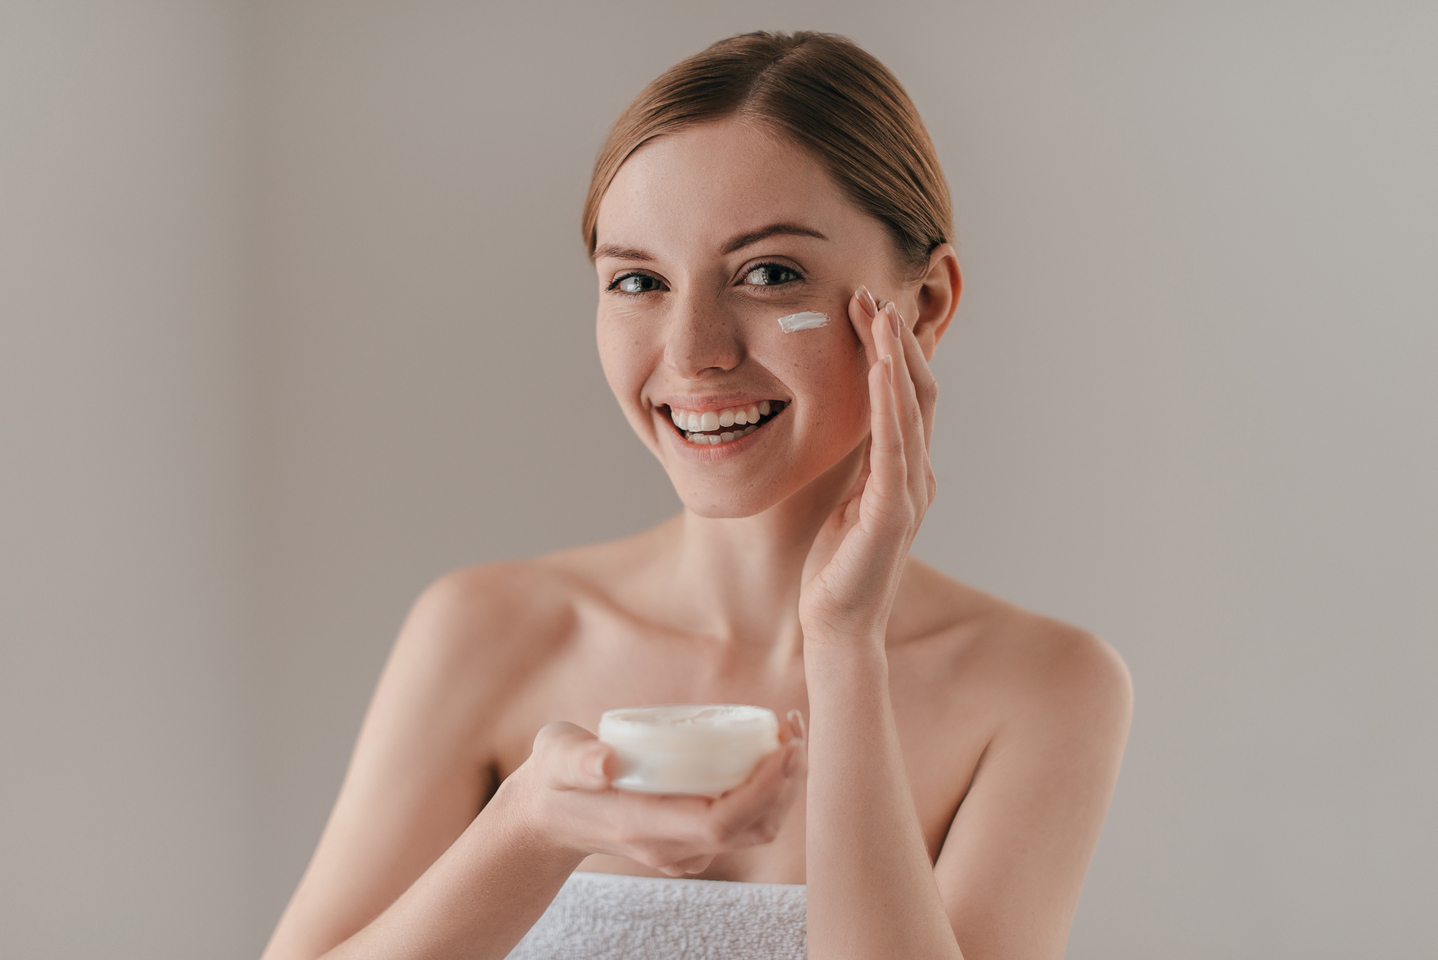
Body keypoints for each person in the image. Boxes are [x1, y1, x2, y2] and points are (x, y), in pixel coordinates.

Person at [260, 30, 1132, 960]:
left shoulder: (1044, 690)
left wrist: (845, 650)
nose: (691, 354)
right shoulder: (486, 631)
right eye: (639, 281)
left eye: (769, 274)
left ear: (924, 306)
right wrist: (531, 829)